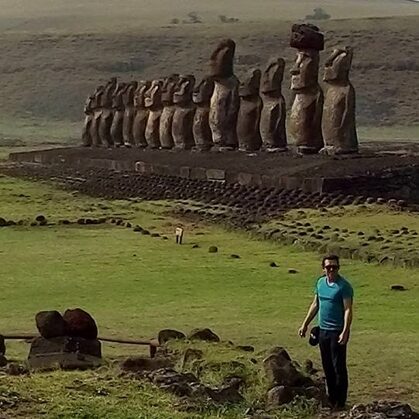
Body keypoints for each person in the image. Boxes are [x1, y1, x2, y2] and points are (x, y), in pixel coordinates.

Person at [298, 255, 354, 409]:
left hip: (337, 331)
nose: (331, 270)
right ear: (323, 268)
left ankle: (340, 402)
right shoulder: (320, 283)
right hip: (323, 331)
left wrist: (345, 331)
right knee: (327, 366)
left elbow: (348, 309)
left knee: (338, 367)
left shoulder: (344, 286)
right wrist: (305, 324)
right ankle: (331, 398)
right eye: (328, 267)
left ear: (338, 268)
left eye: (334, 267)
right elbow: (315, 304)